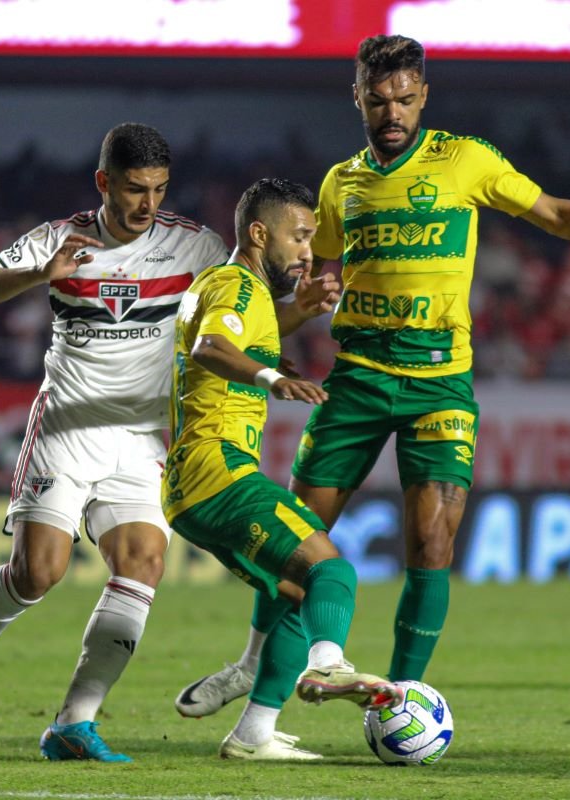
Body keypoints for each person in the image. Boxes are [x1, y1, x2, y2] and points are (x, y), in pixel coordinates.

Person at [175, 33, 570, 718]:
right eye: (380, 100)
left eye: (406, 99)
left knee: (432, 542)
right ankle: (254, 684)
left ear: (424, 96)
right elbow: (299, 265)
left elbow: (555, 214)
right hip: (356, 379)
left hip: (440, 384)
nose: (393, 112)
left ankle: (402, 700)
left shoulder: (466, 160)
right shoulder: (340, 184)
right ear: (357, 97)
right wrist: (281, 316)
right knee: (300, 534)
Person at [0, 123, 235, 763]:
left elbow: (240, 306)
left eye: (159, 191)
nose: (148, 205)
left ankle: (73, 722)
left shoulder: (196, 247)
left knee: (142, 564)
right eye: (135, 190)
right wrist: (37, 274)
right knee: (38, 573)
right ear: (103, 182)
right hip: (66, 427)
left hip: (142, 439)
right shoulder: (60, 237)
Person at [163, 177, 402, 761]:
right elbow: (211, 348)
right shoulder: (236, 289)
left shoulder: (225, 288)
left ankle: (252, 730)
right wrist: (274, 377)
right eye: (298, 238)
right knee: (332, 573)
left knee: (297, 591)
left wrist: (295, 316)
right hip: (217, 475)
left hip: (200, 479)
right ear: (258, 233)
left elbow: (239, 334)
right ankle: (328, 667)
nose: (307, 252)